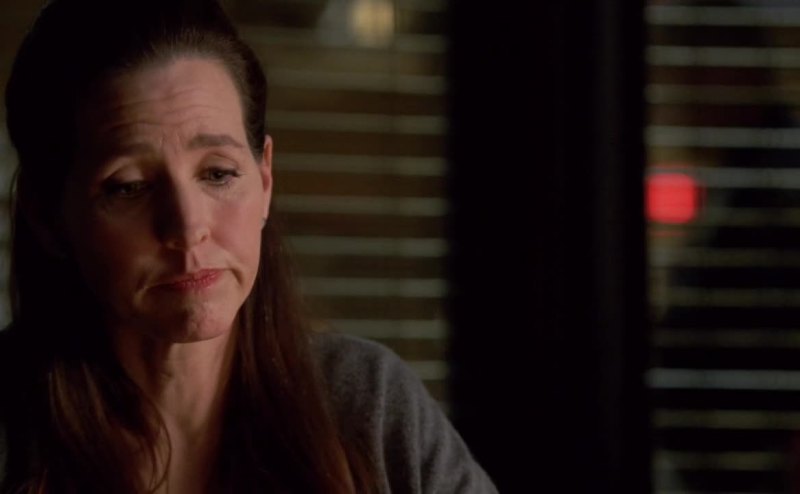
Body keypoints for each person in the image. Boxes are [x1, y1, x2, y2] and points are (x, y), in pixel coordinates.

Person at [0, 0, 497, 492]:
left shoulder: (369, 406)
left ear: (265, 179)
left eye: (218, 173)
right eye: (129, 187)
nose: (188, 227)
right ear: (48, 217)